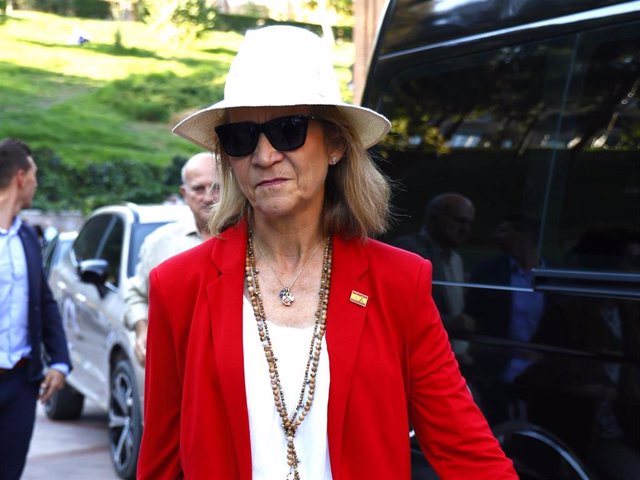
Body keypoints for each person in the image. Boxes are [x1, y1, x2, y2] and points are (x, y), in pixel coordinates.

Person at [137, 26, 517, 480]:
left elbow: (465, 449)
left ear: (335, 144)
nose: (264, 155)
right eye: (240, 137)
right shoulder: (178, 285)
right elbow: (159, 460)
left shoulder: (398, 281)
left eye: (288, 129)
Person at [0, 138, 71, 479]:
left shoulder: (28, 237)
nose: (37, 183)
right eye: (34, 174)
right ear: (20, 178)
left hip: (20, 382)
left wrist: (59, 360)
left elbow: (43, 301)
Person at [124, 152, 220, 366]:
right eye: (198, 189)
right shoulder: (159, 243)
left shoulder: (250, 241)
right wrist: (142, 329)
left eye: (216, 187)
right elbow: (137, 294)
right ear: (184, 193)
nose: (208, 197)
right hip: (177, 365)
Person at [393, 193, 476, 330]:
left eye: (468, 223)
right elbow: (398, 304)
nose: (465, 229)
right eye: (459, 221)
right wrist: (449, 323)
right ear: (434, 218)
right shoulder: (410, 250)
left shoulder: (456, 259)